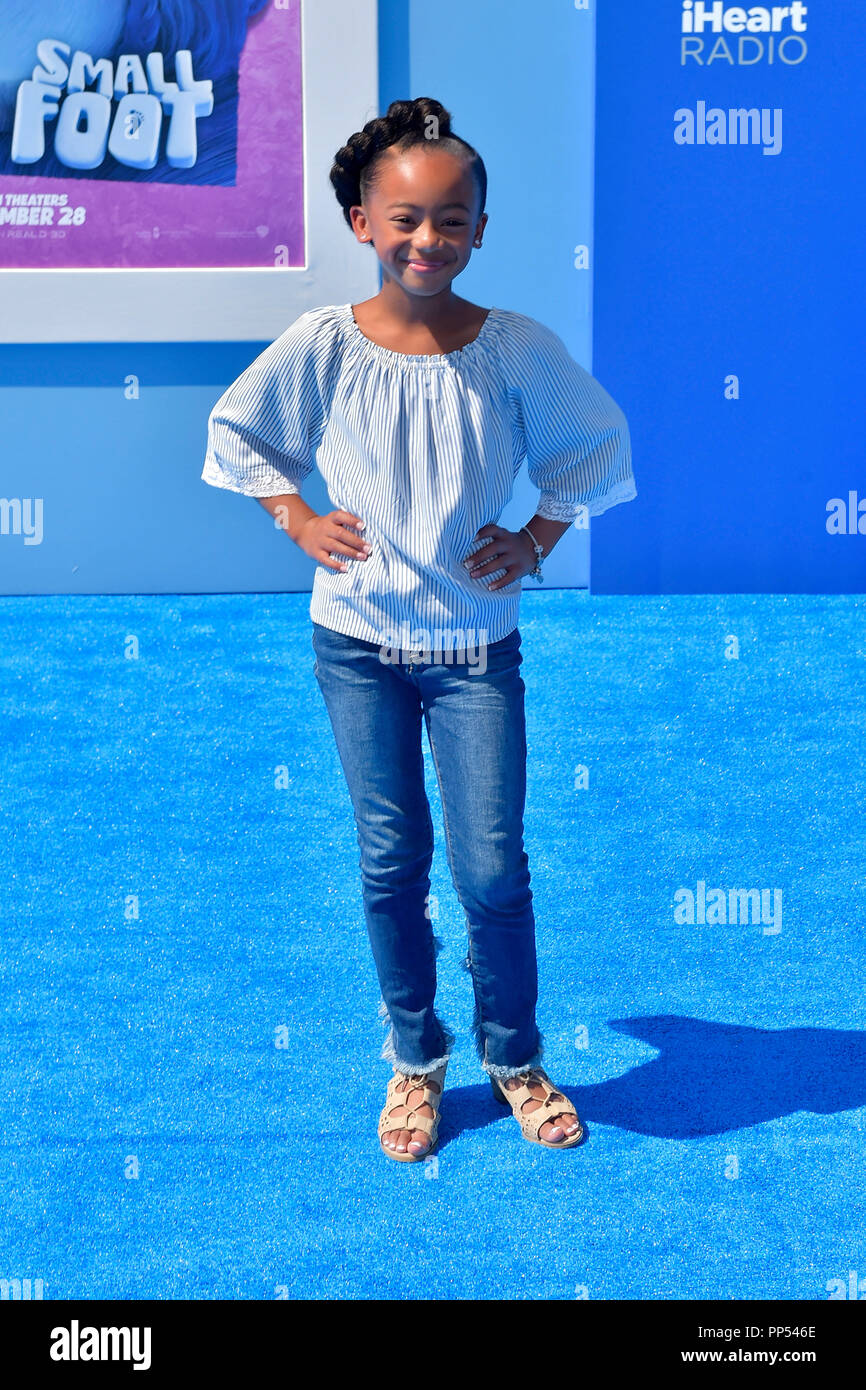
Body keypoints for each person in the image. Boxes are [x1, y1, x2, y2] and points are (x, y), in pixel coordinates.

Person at [201, 96, 637, 1163]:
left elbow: (594, 443)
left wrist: (536, 537)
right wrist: (293, 514)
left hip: (474, 654)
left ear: (480, 229)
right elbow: (240, 430)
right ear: (360, 222)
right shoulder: (322, 346)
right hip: (355, 648)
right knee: (390, 859)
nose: (426, 240)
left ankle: (515, 1054)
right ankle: (415, 1057)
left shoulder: (514, 349)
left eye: (450, 220)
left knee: (490, 867)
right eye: (403, 219)